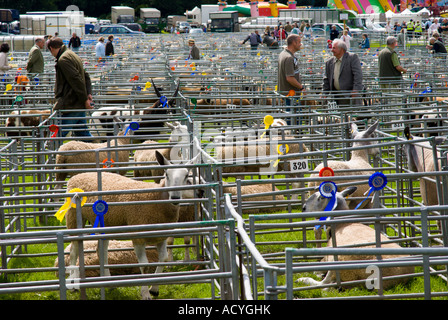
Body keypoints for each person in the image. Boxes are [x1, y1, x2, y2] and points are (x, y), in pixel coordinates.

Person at [47, 37, 93, 138]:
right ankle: (98, 151)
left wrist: (85, 98)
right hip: (77, 102)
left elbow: (76, 80)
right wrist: (88, 94)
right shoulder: (72, 55)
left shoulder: (63, 59)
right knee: (83, 134)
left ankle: (53, 152)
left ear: (51, 48)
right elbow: (86, 76)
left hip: (71, 103)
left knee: (58, 134)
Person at [323, 39, 363, 107]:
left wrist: (355, 90)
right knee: (339, 116)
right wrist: (324, 93)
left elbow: (358, 75)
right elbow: (326, 79)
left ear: (341, 49)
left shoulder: (352, 58)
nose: (331, 50)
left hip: (350, 95)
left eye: (334, 48)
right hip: (336, 96)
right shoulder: (329, 62)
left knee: (353, 115)